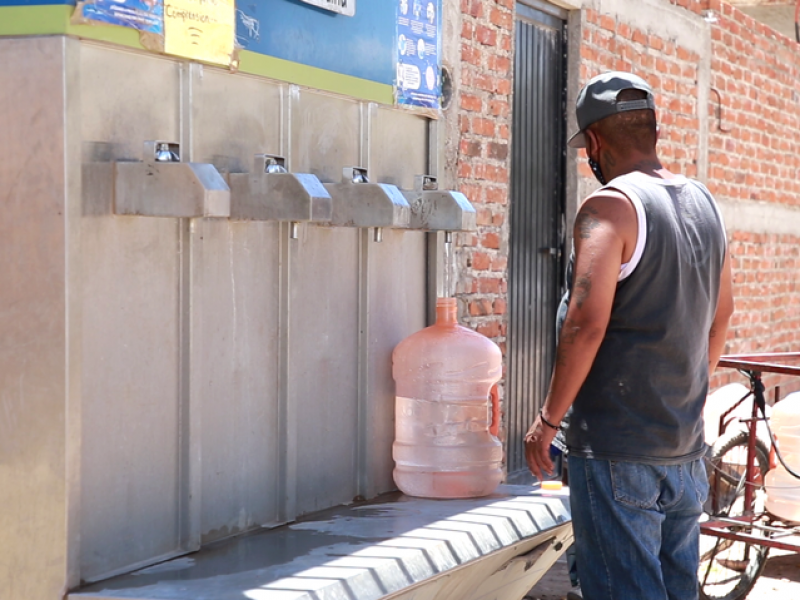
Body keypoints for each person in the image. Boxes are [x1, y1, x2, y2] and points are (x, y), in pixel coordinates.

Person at [524, 72, 734, 600]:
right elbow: (722, 316)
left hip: (618, 452)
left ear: (593, 143)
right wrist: (684, 398)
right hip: (684, 451)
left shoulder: (609, 208)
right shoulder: (705, 204)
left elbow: (585, 325)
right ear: (654, 131)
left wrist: (548, 420)